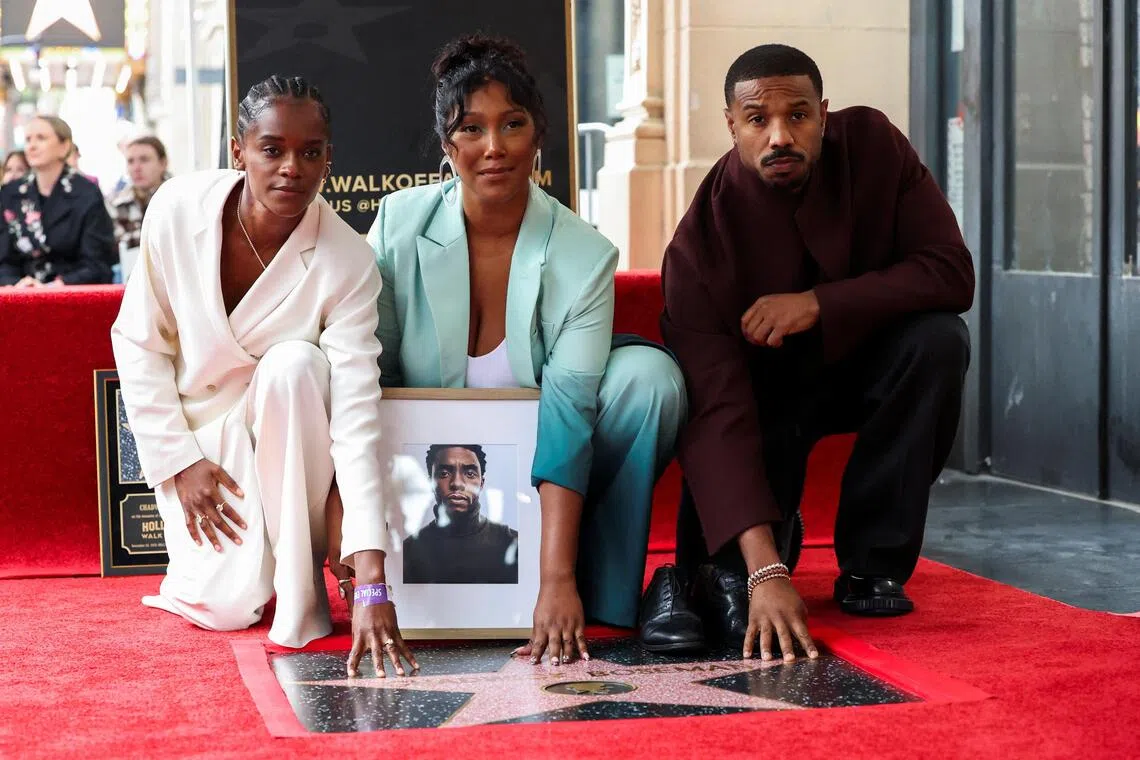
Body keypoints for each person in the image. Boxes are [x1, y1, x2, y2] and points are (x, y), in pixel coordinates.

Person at [341, 34, 690, 663]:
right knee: (320, 367)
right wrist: (367, 549)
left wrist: (551, 581)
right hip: (427, 473)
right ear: (448, 147)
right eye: (471, 129)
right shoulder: (397, 226)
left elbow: (568, 411)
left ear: (539, 136)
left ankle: (589, 578)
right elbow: (373, 385)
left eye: (513, 124)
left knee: (647, 379)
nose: (494, 147)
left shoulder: (583, 253)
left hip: (546, 464)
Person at [661, 44, 974, 663]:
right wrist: (764, 570)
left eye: (798, 115)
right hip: (757, 401)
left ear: (824, 115)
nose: (780, 136)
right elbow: (715, 412)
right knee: (717, 582)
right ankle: (780, 532)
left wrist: (817, 303)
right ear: (731, 126)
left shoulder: (876, 147)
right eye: (757, 120)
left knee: (939, 341)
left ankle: (871, 565)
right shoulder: (697, 249)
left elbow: (950, 273)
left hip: (860, 367)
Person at [111, 75, 417, 678]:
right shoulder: (176, 209)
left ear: (329, 156)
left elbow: (355, 415)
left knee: (296, 363)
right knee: (225, 606)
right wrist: (178, 460)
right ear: (238, 151)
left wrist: (374, 579)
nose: (291, 169)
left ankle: (307, 579)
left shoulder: (349, 260)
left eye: (311, 152)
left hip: (291, 434)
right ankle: (261, 555)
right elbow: (139, 342)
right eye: (272, 149)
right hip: (202, 443)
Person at [0, 116, 115, 286]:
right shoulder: (11, 193)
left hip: (73, 295)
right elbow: (4, 259)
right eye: (28, 139)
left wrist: (56, 286)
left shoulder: (87, 193)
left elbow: (97, 262)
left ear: (64, 146)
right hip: (21, 294)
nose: (31, 146)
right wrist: (16, 283)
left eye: (41, 138)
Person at [403, 444, 520, 584]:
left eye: (470, 474)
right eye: (444, 473)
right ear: (430, 482)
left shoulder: (513, 543)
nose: (457, 483)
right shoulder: (409, 551)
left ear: (481, 483)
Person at [110, 136, 170, 280]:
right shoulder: (116, 202)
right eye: (130, 161)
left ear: (163, 163)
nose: (136, 168)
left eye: (144, 160)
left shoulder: (179, 198)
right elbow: (116, 247)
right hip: (131, 277)